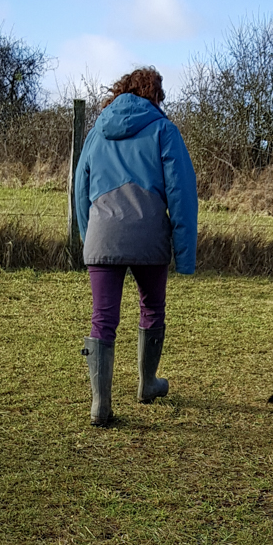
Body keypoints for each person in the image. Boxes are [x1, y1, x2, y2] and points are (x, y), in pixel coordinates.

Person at [75, 67, 198, 426]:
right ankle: (147, 384)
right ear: (155, 94)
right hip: (149, 234)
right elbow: (182, 195)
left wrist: (89, 240)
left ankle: (101, 405)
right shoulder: (164, 129)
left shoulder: (97, 131)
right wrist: (185, 254)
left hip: (102, 234)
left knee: (103, 318)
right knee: (152, 308)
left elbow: (80, 191)